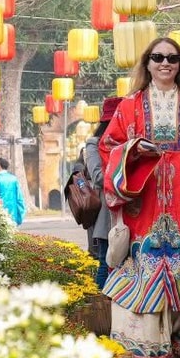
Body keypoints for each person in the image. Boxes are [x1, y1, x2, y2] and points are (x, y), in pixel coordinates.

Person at [98, 37, 180, 358]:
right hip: (142, 212)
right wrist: (133, 151)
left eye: (172, 58)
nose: (165, 63)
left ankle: (179, 357)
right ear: (147, 63)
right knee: (140, 287)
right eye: (158, 57)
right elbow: (108, 147)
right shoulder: (128, 107)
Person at [69, 96, 122, 285]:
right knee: (105, 263)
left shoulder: (131, 141)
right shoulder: (94, 144)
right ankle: (101, 302)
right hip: (107, 213)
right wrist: (124, 176)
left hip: (132, 215)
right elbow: (98, 176)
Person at [0, 156, 26, 226]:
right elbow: (19, 196)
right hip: (13, 208)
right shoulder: (14, 179)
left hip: (1, 207)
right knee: (12, 227)